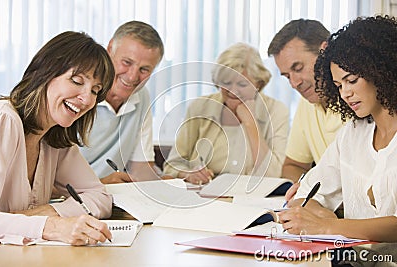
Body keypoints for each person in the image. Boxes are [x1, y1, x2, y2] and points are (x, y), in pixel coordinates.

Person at [278, 15, 397, 242]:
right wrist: (320, 216)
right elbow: (306, 193)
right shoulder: (352, 134)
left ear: (382, 71)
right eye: (338, 85)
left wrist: (327, 226)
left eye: (351, 81)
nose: (345, 94)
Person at [0, 31, 115, 245]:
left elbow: (100, 197)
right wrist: (50, 226)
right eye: (77, 81)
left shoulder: (55, 138)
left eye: (95, 91)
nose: (87, 99)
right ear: (44, 73)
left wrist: (53, 210)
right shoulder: (3, 120)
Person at [164, 43, 289, 184]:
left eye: (242, 84)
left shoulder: (276, 111)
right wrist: (189, 174)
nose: (233, 91)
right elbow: (172, 165)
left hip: (250, 199)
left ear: (258, 83)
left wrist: (251, 123)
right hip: (202, 195)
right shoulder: (200, 107)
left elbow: (274, 175)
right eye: (226, 83)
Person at [267, 19, 345, 201]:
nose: (294, 83)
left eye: (298, 68)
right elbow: (292, 166)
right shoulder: (307, 102)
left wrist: (315, 190)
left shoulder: (358, 100)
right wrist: (307, 187)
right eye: (287, 76)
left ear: (324, 51)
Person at [79, 21, 165, 184]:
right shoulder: (80, 92)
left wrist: (164, 184)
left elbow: (140, 169)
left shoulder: (142, 97)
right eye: (127, 62)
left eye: (144, 69)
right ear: (110, 48)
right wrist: (101, 183)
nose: (132, 77)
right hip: (69, 198)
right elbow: (48, 179)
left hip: (110, 197)